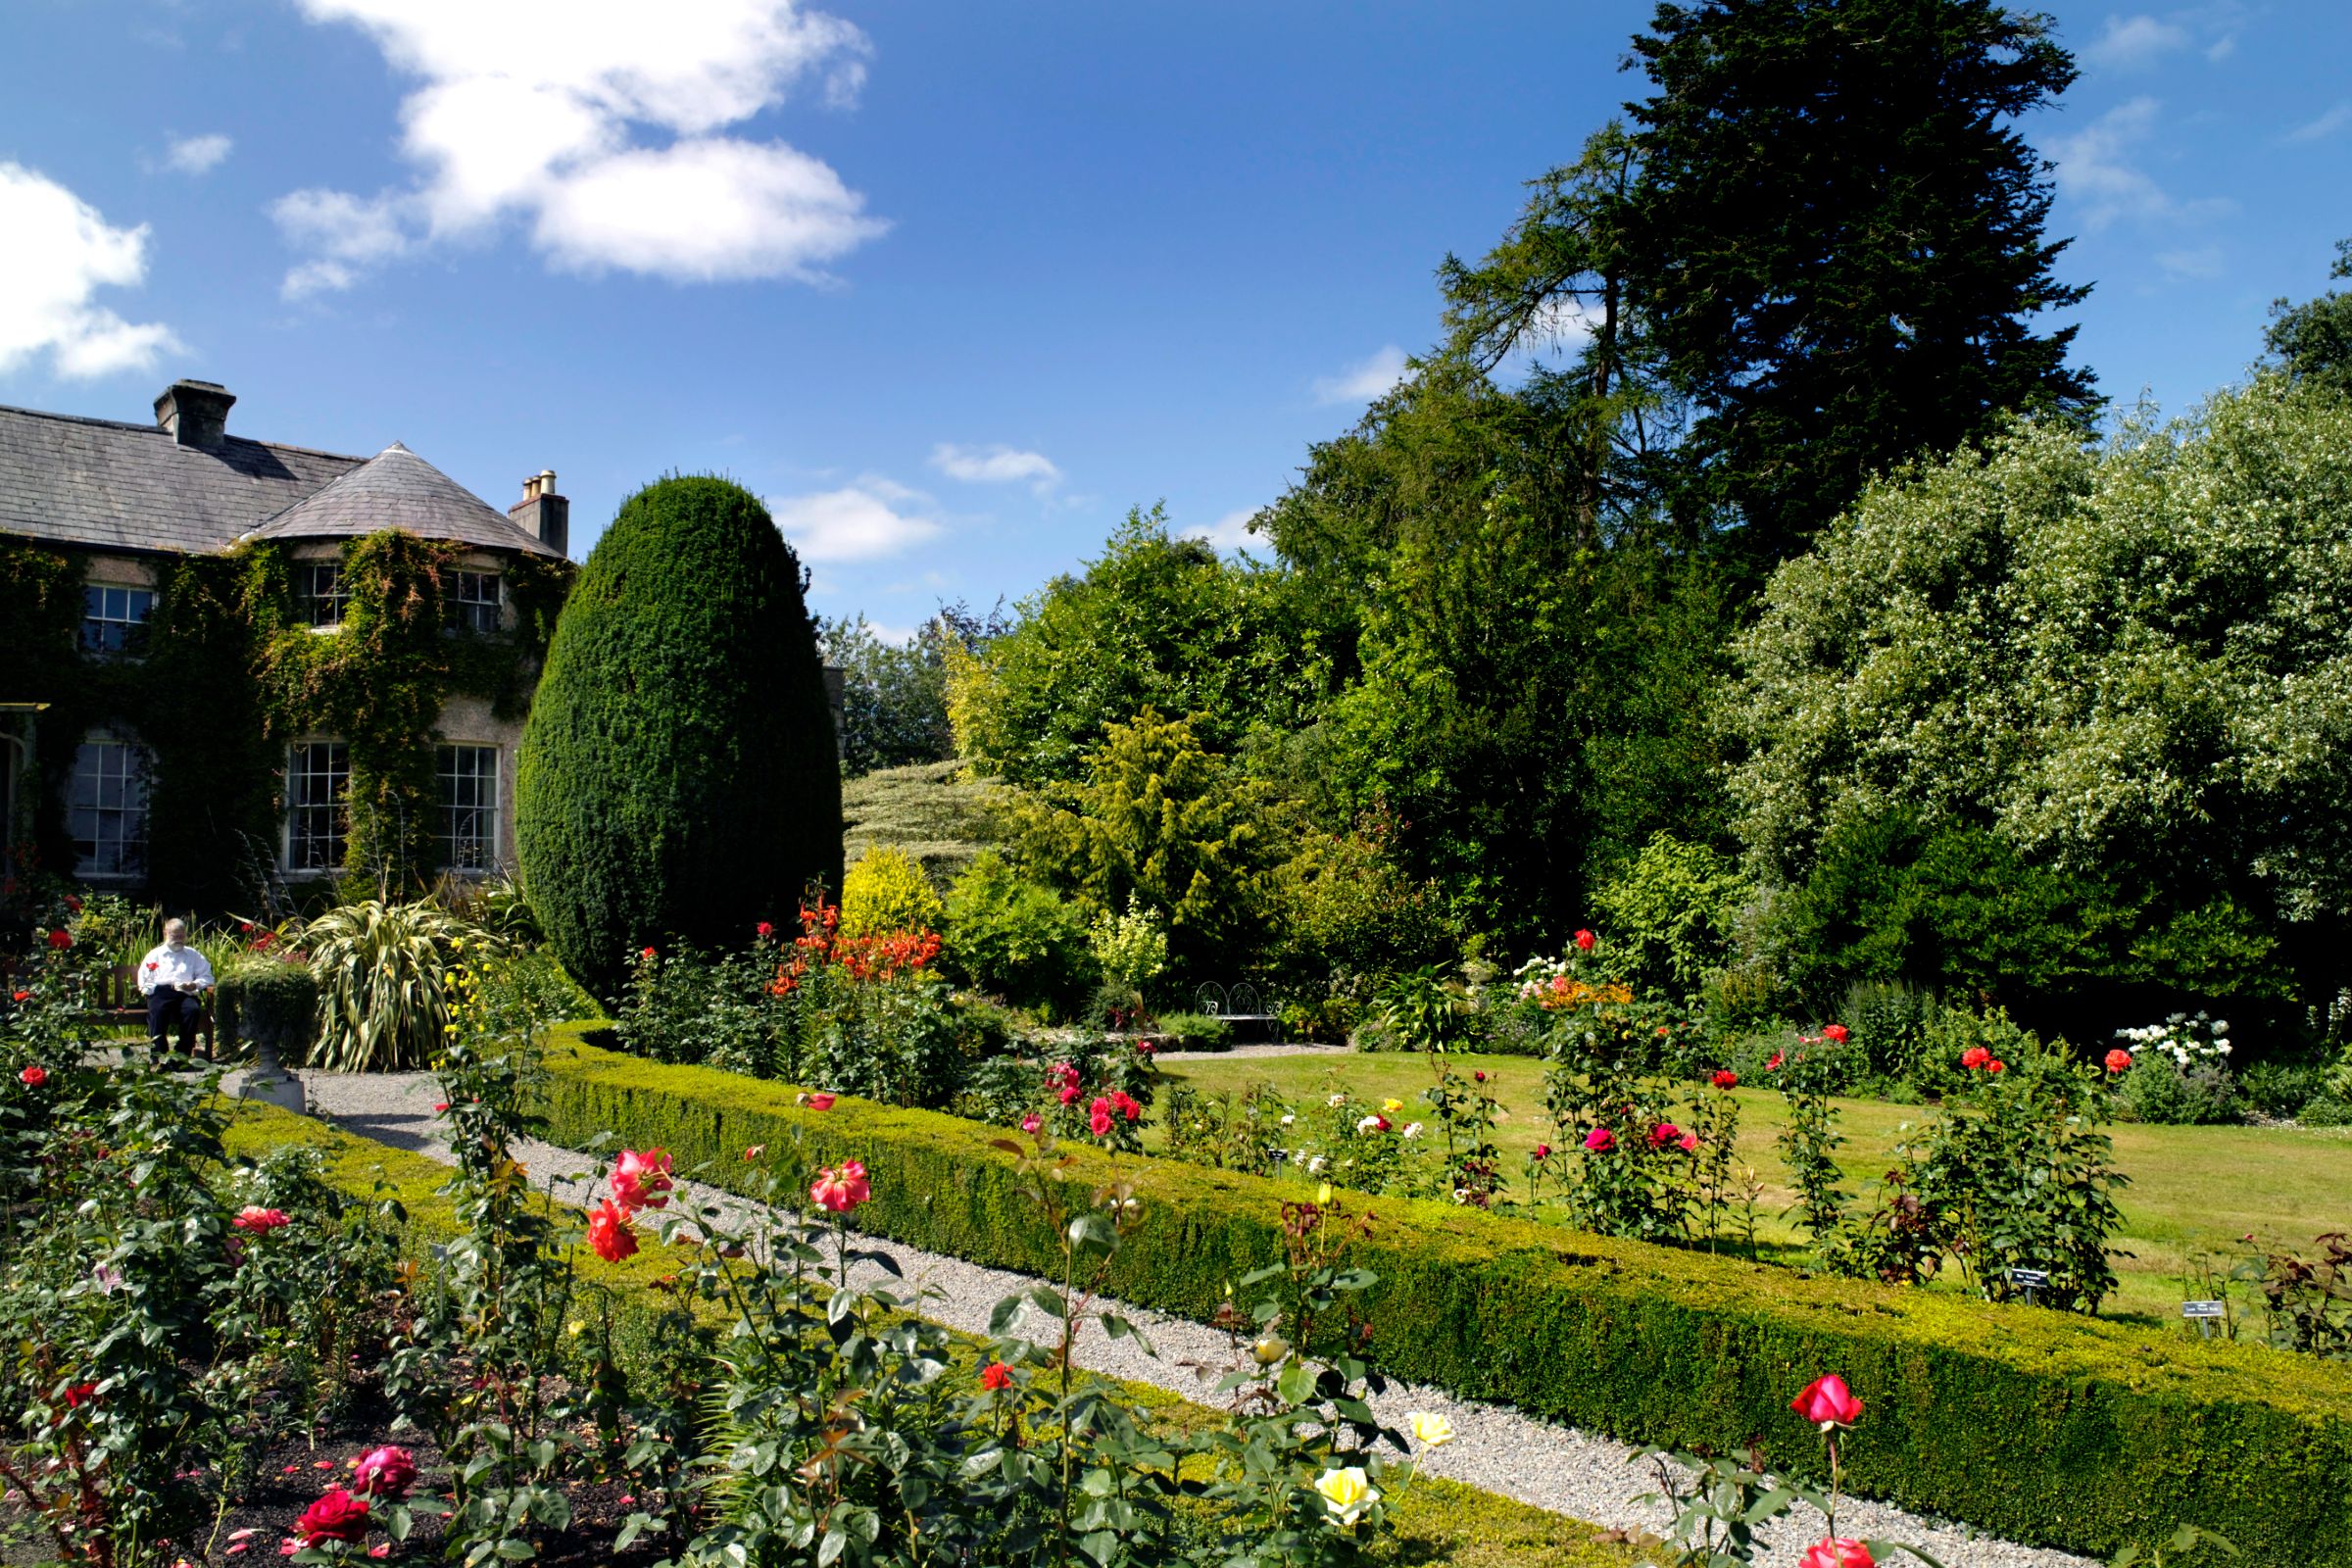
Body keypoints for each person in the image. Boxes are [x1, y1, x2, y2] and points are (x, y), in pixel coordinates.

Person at [137, 918, 214, 1057]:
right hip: (161, 992)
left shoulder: (193, 955)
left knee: (193, 1010)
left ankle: (182, 1056)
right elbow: (144, 979)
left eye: (181, 936)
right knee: (157, 1012)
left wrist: (194, 985)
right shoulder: (155, 955)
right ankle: (160, 1056)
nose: (178, 939)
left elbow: (207, 976)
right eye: (175, 936)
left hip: (185, 992)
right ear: (165, 933)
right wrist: (150, 993)